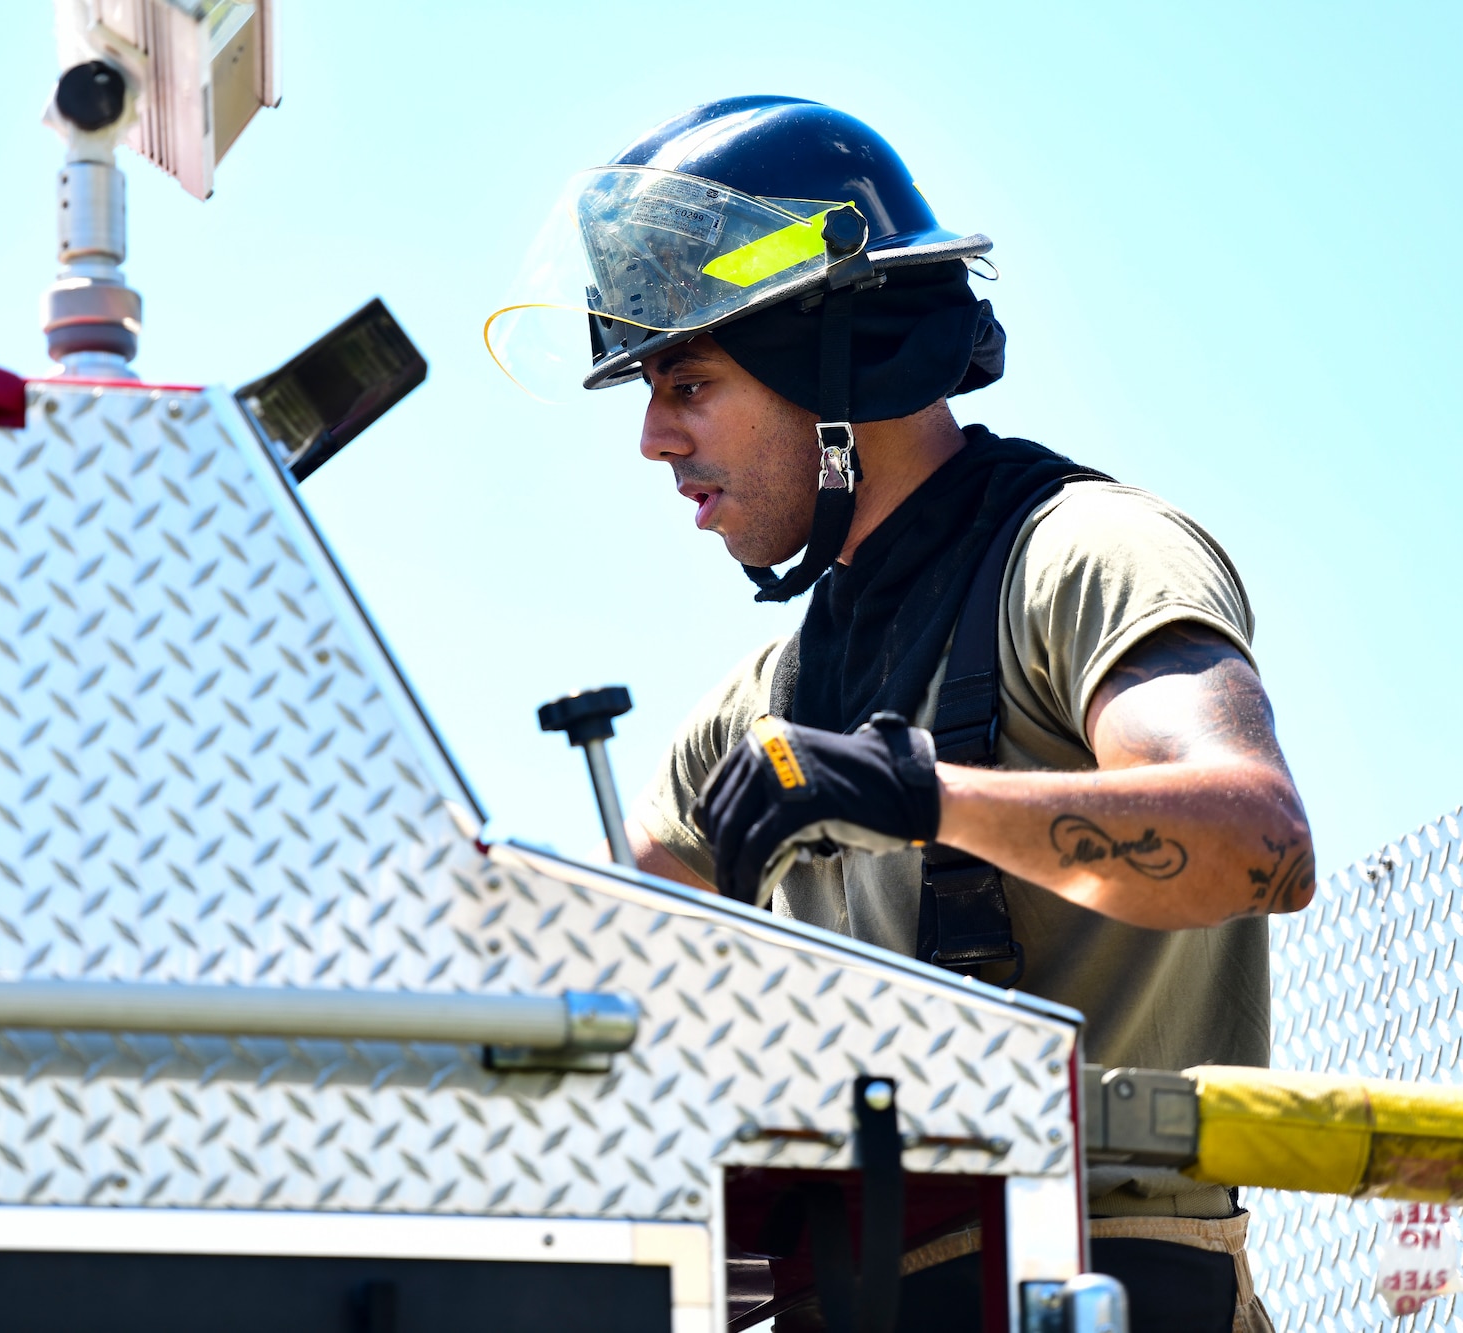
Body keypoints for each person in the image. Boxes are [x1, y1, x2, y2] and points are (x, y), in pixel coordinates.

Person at [490, 97, 1311, 1332]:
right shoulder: (754, 709)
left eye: (689, 381)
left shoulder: (1083, 556)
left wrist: (919, 795)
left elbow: (1259, 844)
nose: (655, 439)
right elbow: (605, 978)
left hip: (1087, 1281)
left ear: (835, 369)